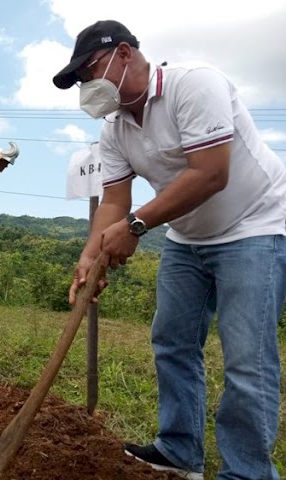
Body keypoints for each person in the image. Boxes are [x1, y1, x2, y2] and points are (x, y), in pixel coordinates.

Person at [54, 20, 286, 480]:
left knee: (246, 359)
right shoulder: (115, 128)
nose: (85, 87)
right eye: (79, 81)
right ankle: (180, 452)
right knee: (172, 342)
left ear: (123, 54)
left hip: (254, 227)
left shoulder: (194, 85)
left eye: (89, 71)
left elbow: (210, 174)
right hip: (186, 238)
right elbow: (115, 202)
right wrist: (90, 254)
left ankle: (248, 472)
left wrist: (136, 227)